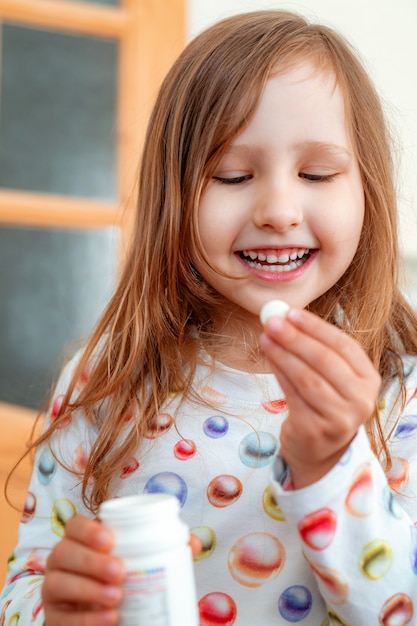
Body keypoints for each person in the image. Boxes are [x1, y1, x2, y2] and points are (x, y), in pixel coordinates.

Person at [2, 9, 417, 626]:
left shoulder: (399, 396)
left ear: (368, 192)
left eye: (317, 173)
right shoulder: (109, 377)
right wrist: (55, 612)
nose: (279, 208)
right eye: (232, 175)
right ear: (173, 196)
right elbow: (26, 586)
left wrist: (329, 463)